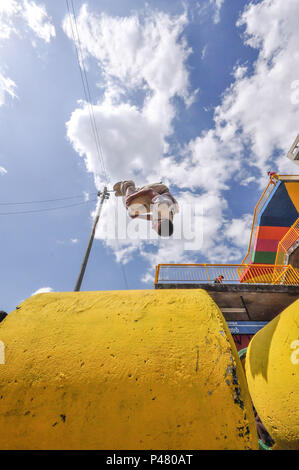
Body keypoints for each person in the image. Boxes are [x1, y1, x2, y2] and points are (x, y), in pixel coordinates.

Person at [113, 180, 179, 237]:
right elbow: (149, 191)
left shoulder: (166, 221)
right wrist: (131, 197)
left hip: (154, 201)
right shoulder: (162, 206)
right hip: (160, 190)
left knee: (131, 212)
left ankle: (125, 191)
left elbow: (151, 217)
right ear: (160, 221)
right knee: (131, 203)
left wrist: (137, 216)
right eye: (154, 226)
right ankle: (127, 184)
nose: (152, 227)